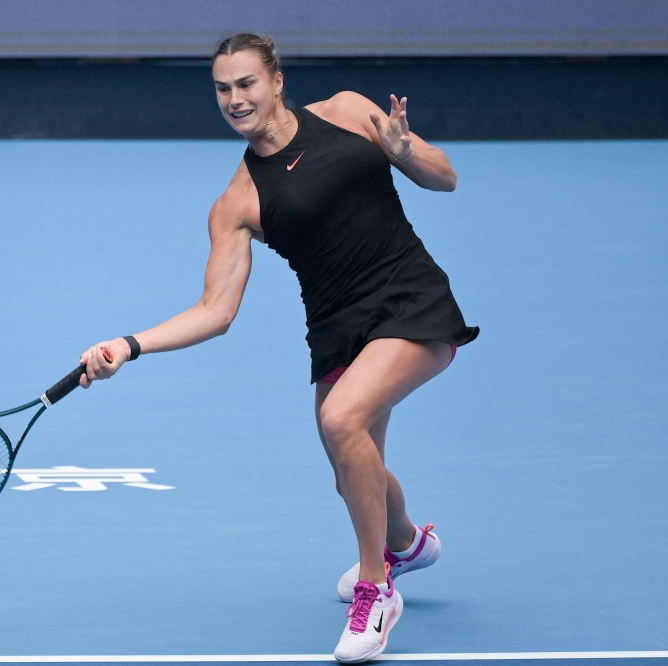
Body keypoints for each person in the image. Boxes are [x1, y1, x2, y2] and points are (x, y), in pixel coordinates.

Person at [76, 33, 478, 663]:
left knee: (341, 419)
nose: (236, 99)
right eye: (223, 89)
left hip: (410, 301)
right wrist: (129, 345)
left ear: (276, 81)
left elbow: (445, 178)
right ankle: (405, 543)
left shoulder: (348, 112)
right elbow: (216, 311)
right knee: (353, 472)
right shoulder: (237, 202)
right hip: (337, 328)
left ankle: (378, 588)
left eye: (246, 84)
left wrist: (405, 152)